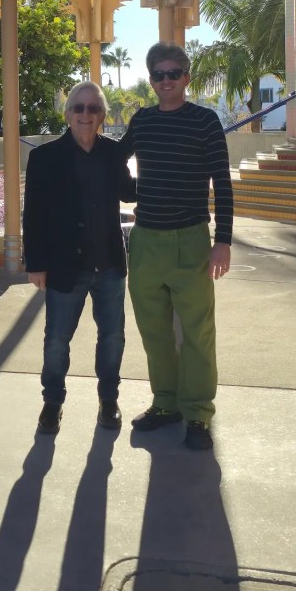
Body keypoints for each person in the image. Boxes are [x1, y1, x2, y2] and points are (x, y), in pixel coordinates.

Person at [120, 42, 233, 451]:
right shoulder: (143, 121)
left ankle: (198, 414)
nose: (165, 81)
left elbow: (222, 181)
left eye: (173, 74)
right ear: (151, 81)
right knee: (155, 332)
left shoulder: (205, 122)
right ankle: (165, 404)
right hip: (147, 239)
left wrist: (223, 242)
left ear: (186, 77)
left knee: (199, 333)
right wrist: (132, 191)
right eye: (158, 75)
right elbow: (117, 158)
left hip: (191, 240)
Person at [22, 81, 136, 435]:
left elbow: (130, 194)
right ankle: (52, 403)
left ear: (102, 116)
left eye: (93, 109)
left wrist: (140, 144)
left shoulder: (113, 154)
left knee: (113, 338)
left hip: (110, 266)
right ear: (68, 113)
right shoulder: (44, 158)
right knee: (56, 340)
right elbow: (34, 215)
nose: (85, 115)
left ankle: (109, 401)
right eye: (79, 108)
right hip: (64, 266)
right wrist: (36, 264)